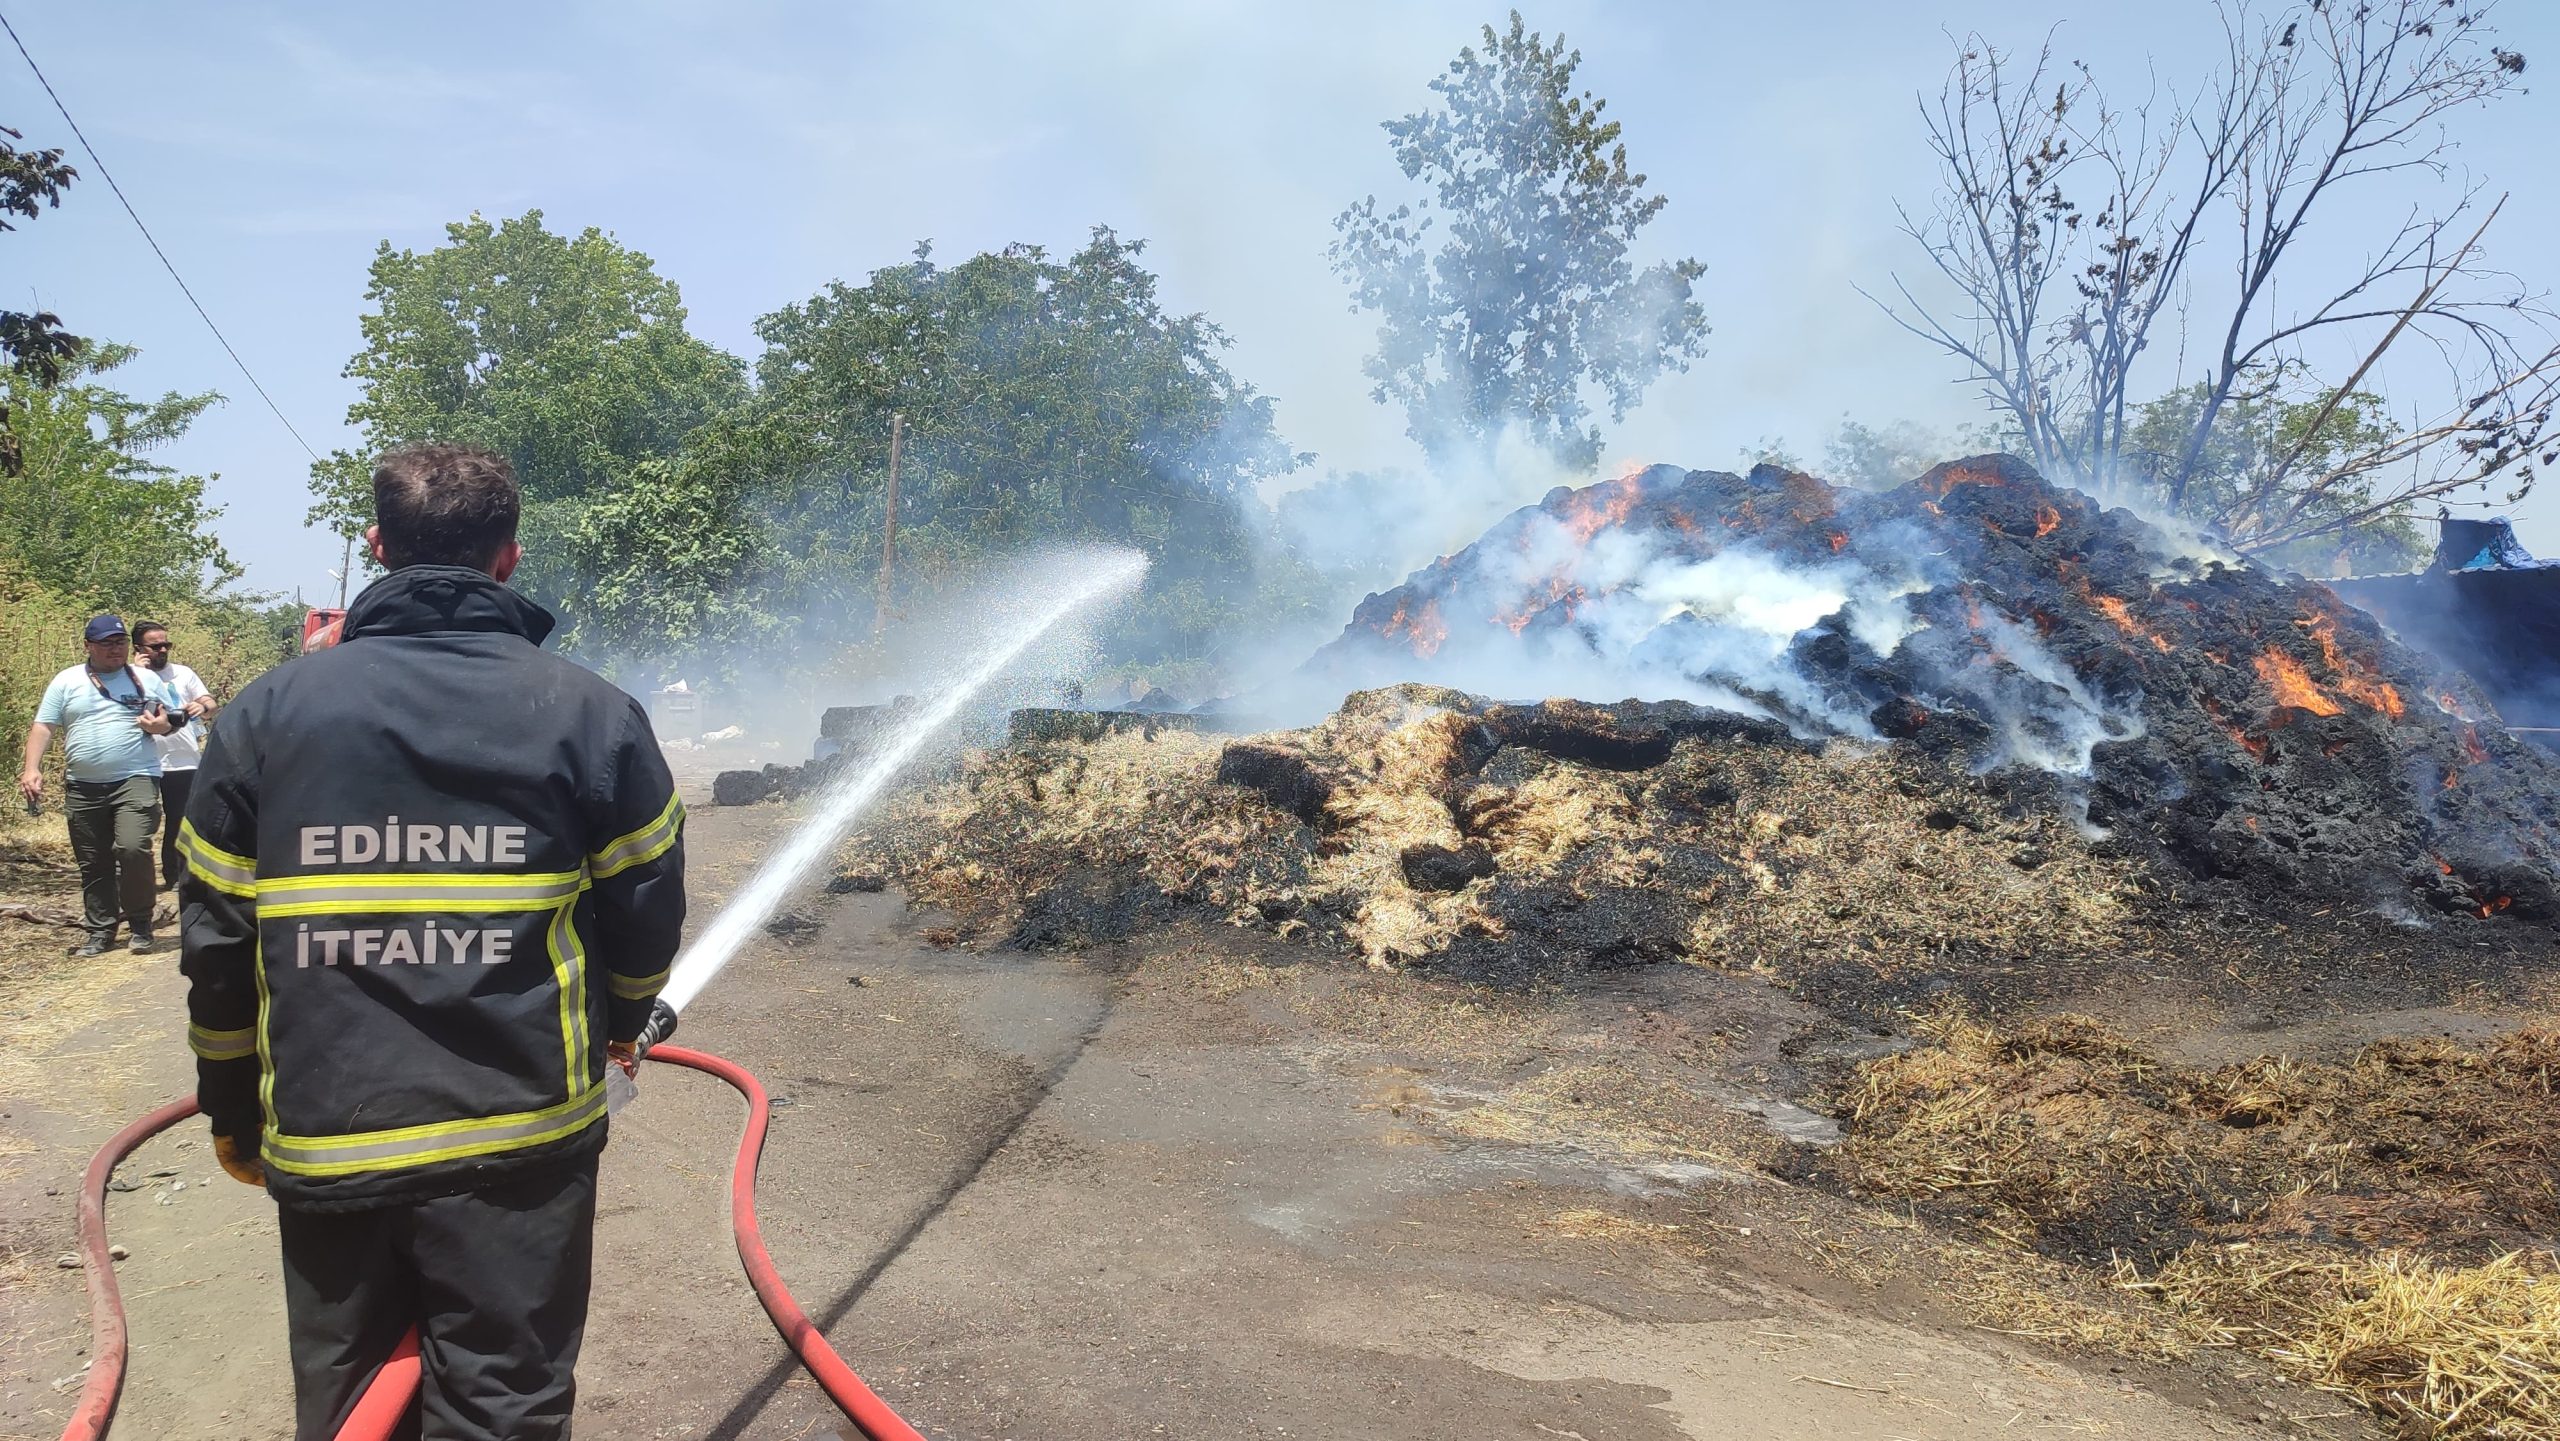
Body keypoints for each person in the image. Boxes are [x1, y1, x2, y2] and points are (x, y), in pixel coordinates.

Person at [177, 444, 686, 1441]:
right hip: (521, 1146)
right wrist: (625, 1023)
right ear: (509, 557)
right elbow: (646, 911)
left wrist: (233, 1110)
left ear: (377, 548)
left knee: (354, 1400)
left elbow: (217, 947)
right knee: (505, 1399)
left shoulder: (264, 718)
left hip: (330, 1136)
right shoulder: (591, 714)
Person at [19, 615, 178, 955]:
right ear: (88, 646)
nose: (115, 649)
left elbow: (169, 720)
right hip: (83, 785)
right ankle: (101, 931)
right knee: (93, 861)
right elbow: (44, 725)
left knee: (133, 847)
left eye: (119, 642)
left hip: (136, 777)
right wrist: (31, 769)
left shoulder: (145, 678)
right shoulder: (67, 681)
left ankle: (140, 924)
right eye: (106, 643)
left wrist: (159, 726)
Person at [133, 621, 218, 889]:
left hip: (183, 761)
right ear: (139, 648)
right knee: (140, 824)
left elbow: (211, 704)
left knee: (179, 821)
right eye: (155, 646)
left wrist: (201, 705)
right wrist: (138, 672)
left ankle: (175, 876)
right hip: (142, 761)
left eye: (166, 645)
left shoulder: (183, 674)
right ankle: (137, 880)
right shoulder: (127, 676)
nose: (162, 650)